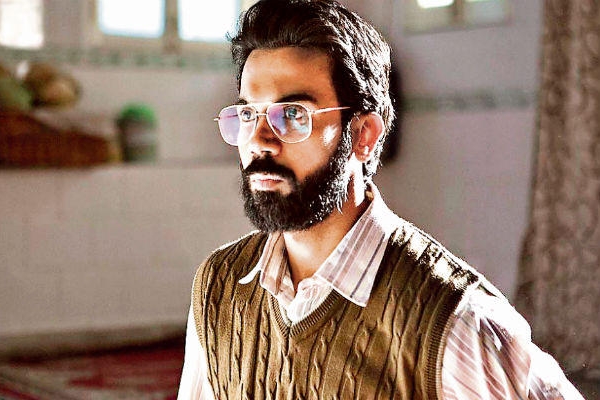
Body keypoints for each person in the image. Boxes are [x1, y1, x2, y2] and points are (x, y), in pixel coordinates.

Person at [178, 0, 584, 398]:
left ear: (364, 134)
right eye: (248, 115)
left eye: (294, 114)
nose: (260, 141)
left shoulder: (455, 321)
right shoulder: (218, 286)